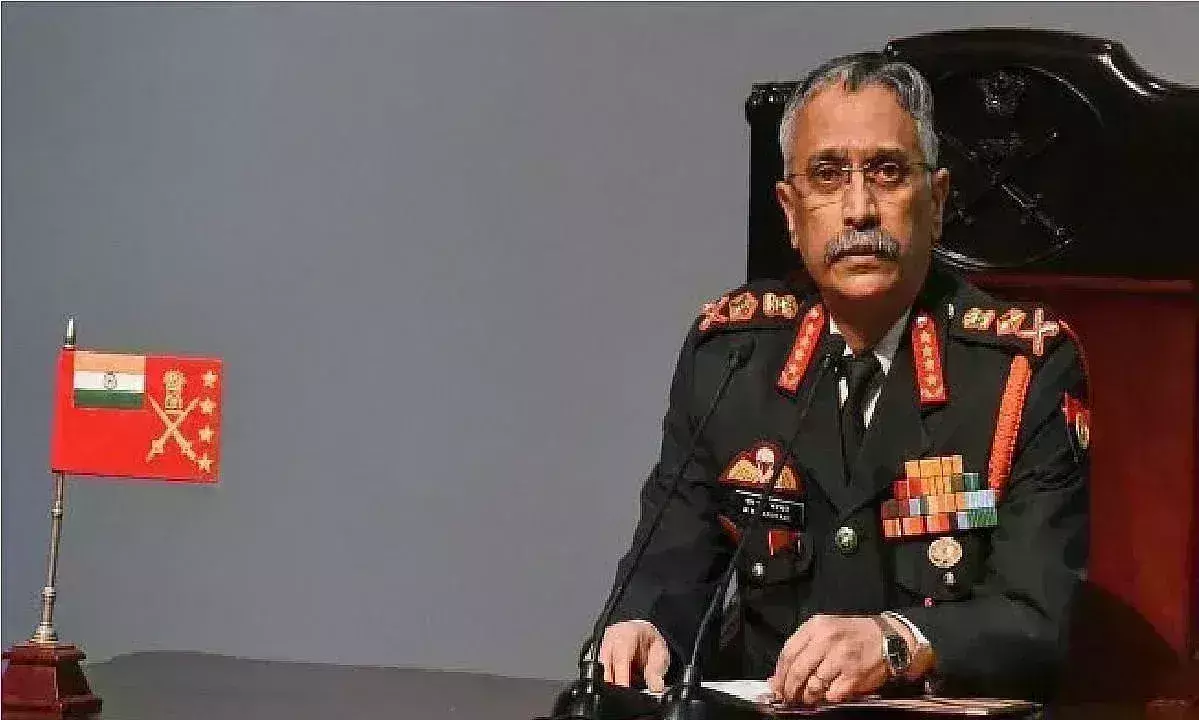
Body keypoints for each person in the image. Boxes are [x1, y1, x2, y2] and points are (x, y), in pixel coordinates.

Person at [597, 53, 1090, 704]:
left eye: (887, 172)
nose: (859, 210)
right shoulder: (731, 357)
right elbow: (670, 560)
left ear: (936, 202)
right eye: (827, 175)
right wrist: (643, 625)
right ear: (790, 210)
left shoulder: (1019, 370)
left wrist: (896, 642)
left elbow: (1036, 619)